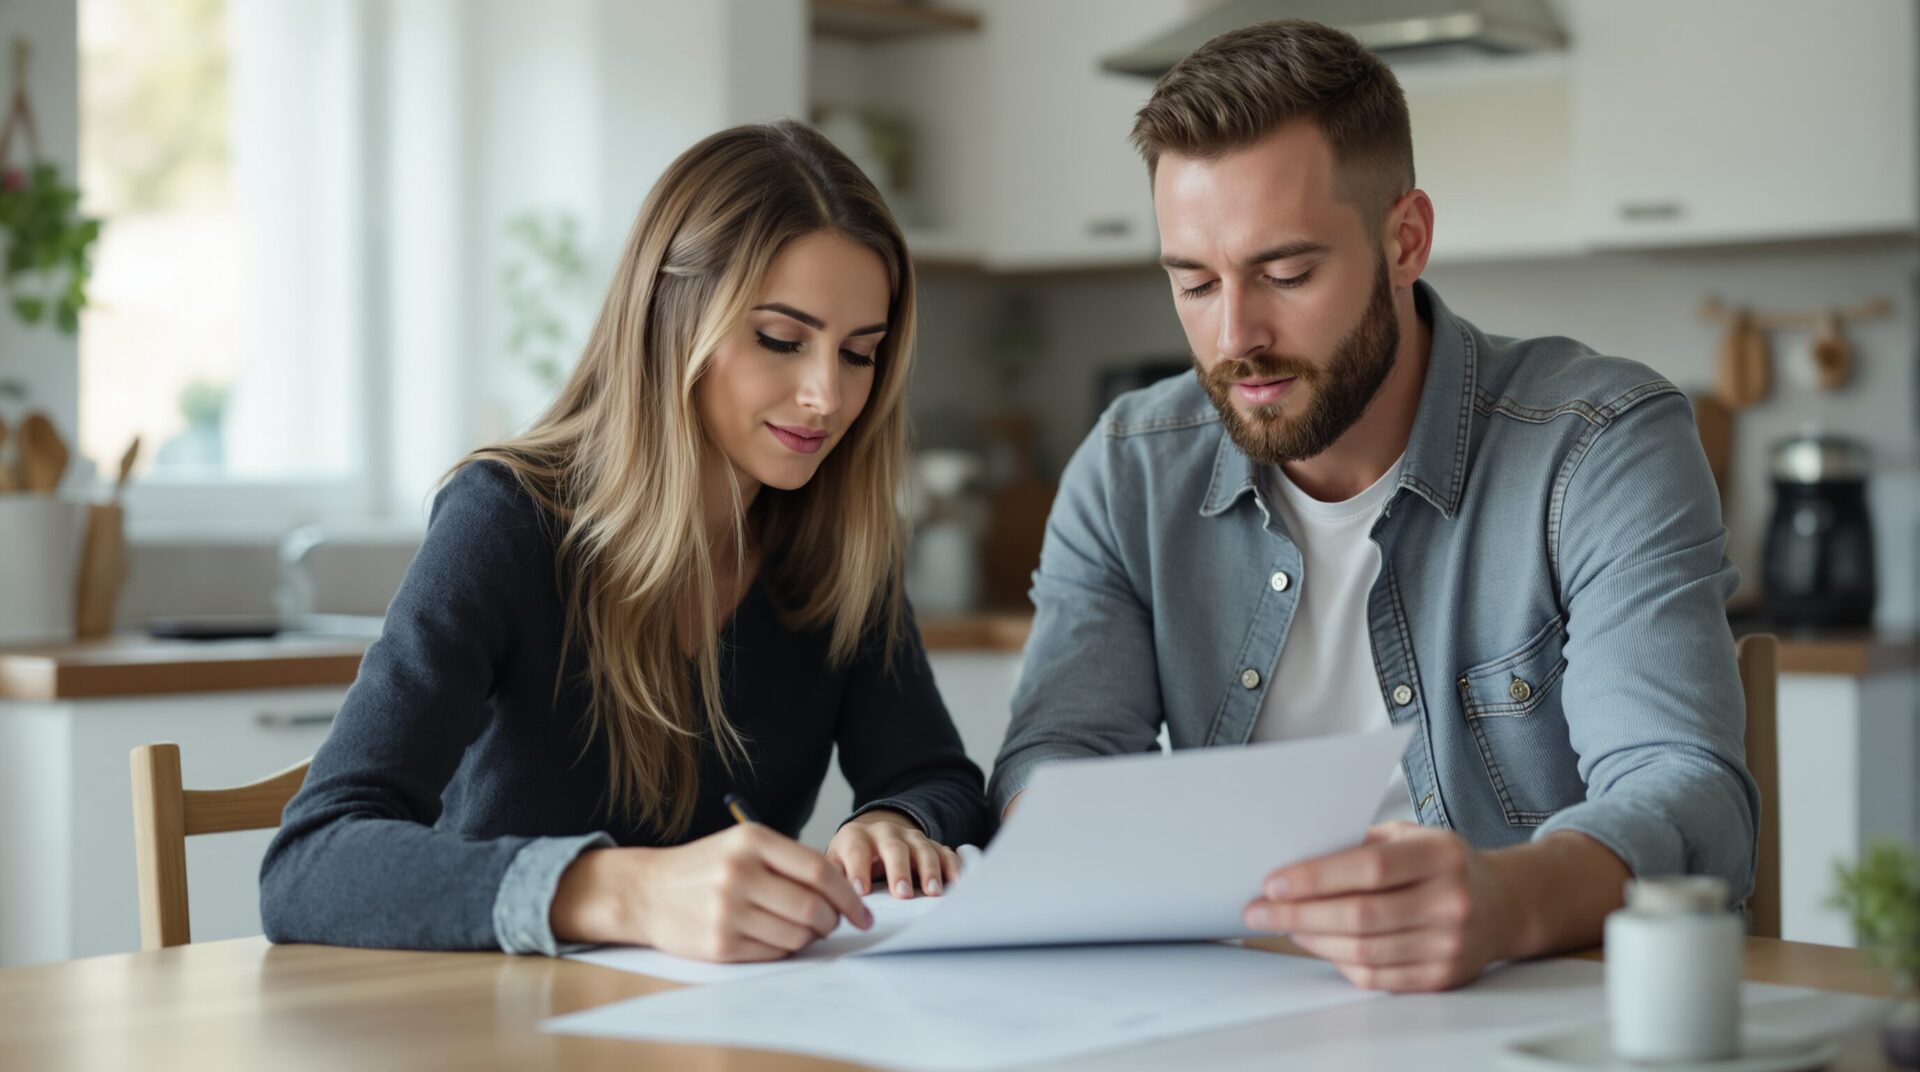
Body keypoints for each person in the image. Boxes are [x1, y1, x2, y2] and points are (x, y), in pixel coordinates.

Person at [990, 20, 1758, 992]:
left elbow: (1687, 791)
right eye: (1193, 282)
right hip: (1221, 1011)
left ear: (1405, 240)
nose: (1236, 336)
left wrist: (1507, 902)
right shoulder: (1130, 467)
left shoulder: (1597, 442)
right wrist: (1049, 825)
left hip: (1528, 1013)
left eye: (1286, 274)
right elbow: (1056, 758)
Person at [262, 121, 993, 963]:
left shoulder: (834, 546)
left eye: (860, 355)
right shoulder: (507, 520)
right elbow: (309, 862)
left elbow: (936, 778)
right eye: (781, 341)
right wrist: (627, 891)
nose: (826, 395)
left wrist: (895, 821)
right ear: (670, 319)